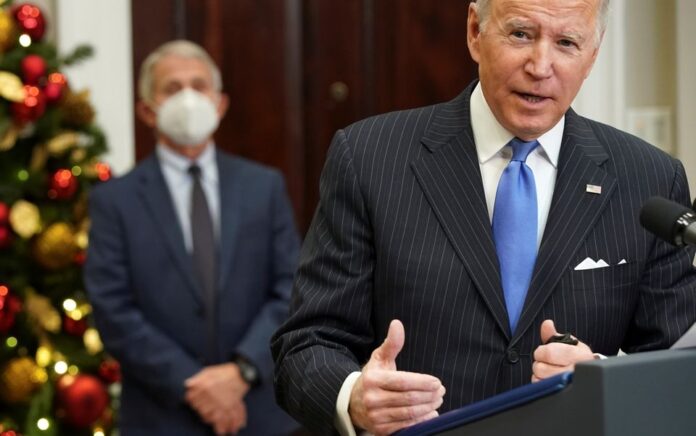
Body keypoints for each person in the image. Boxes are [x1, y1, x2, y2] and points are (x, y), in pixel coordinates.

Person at [271, 0, 696, 435]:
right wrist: (354, 397)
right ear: (475, 30)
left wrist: (600, 377)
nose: (540, 66)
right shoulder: (369, 158)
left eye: (567, 42)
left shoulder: (649, 179)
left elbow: (678, 369)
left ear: (593, 53)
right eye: (521, 35)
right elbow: (306, 344)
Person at [85, 40, 301, 435]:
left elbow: (291, 288)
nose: (188, 98)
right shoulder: (113, 200)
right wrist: (195, 386)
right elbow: (112, 308)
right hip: (161, 416)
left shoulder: (263, 187)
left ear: (219, 103)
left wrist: (242, 372)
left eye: (199, 86)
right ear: (147, 110)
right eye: (172, 88)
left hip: (259, 414)